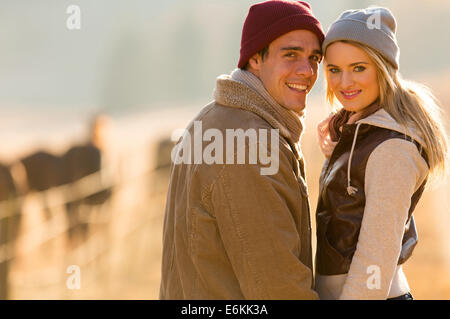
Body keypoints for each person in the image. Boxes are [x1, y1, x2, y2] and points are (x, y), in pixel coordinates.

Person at [160, 0, 324, 299]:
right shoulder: (252, 146)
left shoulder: (210, 119)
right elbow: (280, 290)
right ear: (254, 59)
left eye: (314, 58)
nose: (307, 70)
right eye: (291, 55)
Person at [315, 7, 449, 300]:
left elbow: (374, 259)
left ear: (383, 67)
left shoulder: (393, 148)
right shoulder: (361, 135)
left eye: (358, 68)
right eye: (334, 70)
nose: (344, 83)